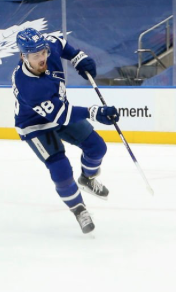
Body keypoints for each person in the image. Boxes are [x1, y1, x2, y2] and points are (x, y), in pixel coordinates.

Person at [11, 28, 120, 234]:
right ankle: (79, 209)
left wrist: (79, 58)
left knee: (97, 148)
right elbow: (62, 116)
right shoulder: (28, 86)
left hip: (60, 111)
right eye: (36, 56)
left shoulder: (48, 47)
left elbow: (59, 42)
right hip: (36, 125)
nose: (42, 58)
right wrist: (94, 112)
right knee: (60, 169)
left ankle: (87, 179)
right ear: (23, 57)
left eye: (43, 52)